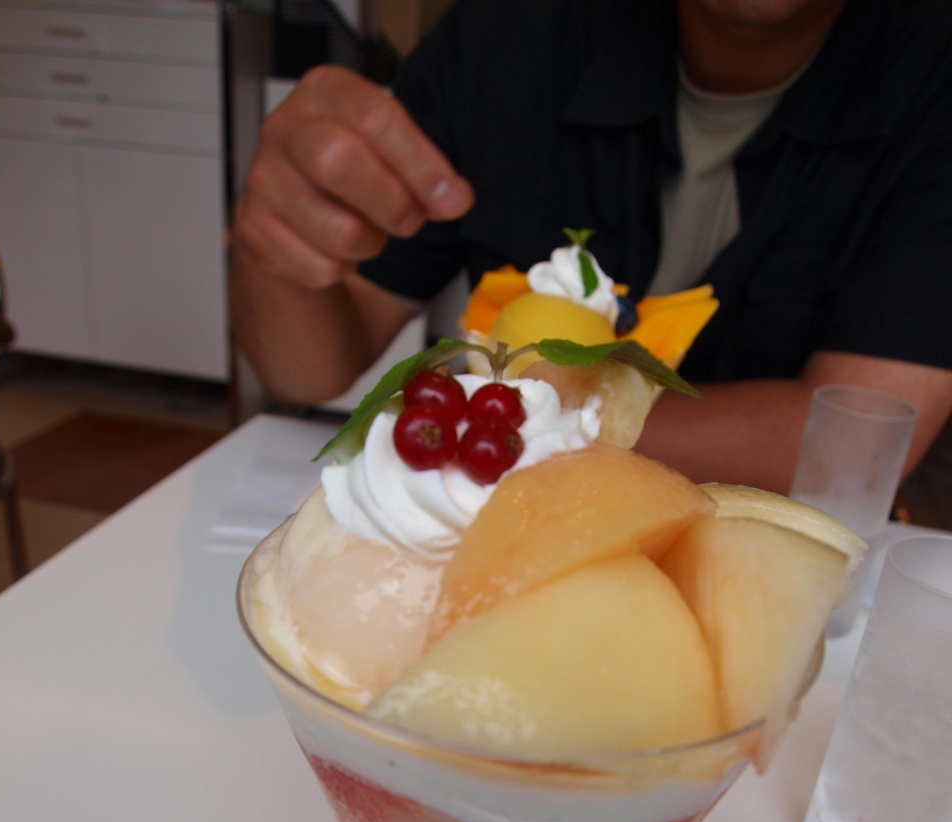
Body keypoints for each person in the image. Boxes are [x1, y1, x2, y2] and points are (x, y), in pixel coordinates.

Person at [230, 0, 952, 494]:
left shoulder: (930, 78)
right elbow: (306, 371)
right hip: (492, 530)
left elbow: (857, 444)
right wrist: (278, 247)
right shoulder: (509, 36)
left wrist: (505, 418)